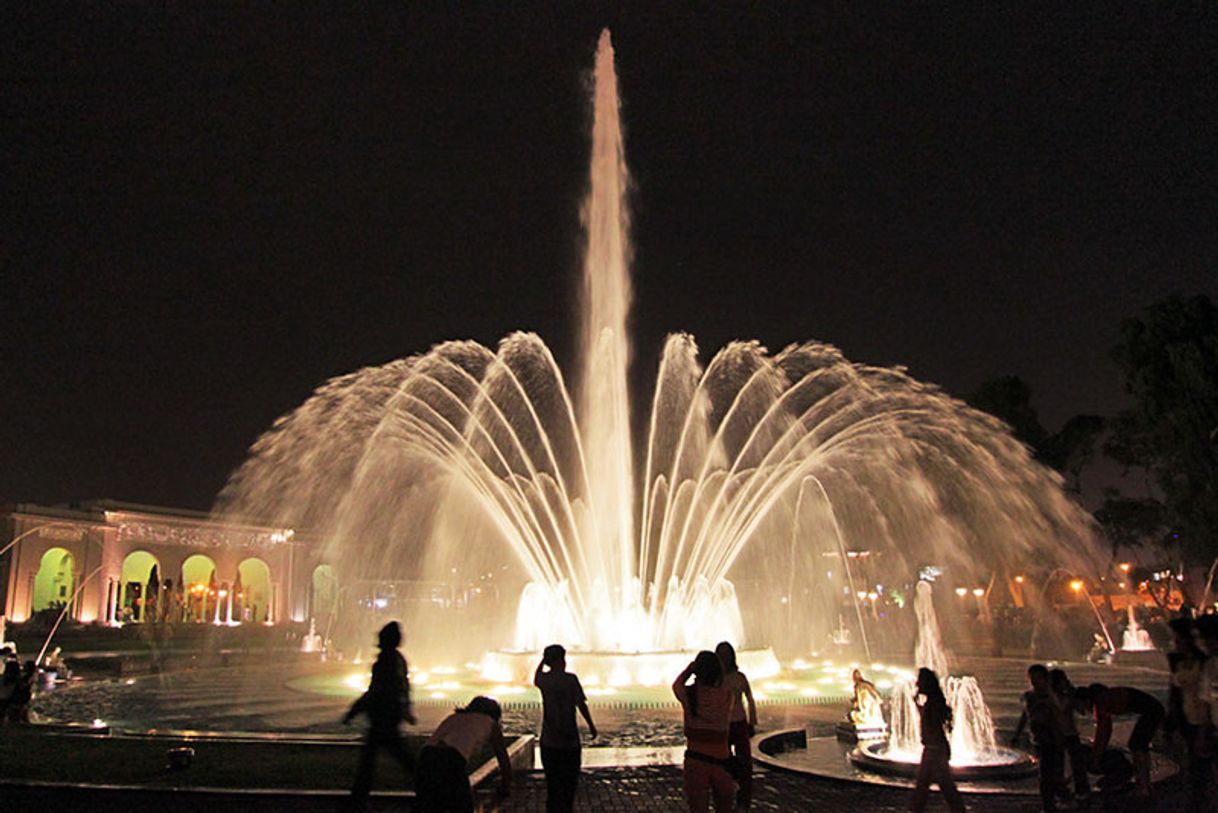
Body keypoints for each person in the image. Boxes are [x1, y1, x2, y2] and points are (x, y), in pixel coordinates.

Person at [343, 621, 416, 806]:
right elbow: (405, 687)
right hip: (390, 715)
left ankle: (358, 799)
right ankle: (358, 797)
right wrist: (407, 709)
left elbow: (375, 690)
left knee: (378, 758)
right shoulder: (398, 659)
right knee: (392, 756)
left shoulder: (385, 661)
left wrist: (354, 710)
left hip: (383, 717)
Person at [416, 695, 512, 812]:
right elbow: (503, 760)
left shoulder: (453, 717)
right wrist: (504, 788)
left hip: (425, 758)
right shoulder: (490, 722)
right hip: (451, 759)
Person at [533, 644, 597, 813]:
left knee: (552, 786)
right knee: (569, 786)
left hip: (549, 741)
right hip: (570, 742)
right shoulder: (570, 679)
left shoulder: (544, 681)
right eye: (563, 658)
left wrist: (543, 661)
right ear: (560, 660)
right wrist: (591, 725)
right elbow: (581, 705)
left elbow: (536, 676)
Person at [1073, 683, 1165, 797]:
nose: (1078, 709)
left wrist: (1096, 757)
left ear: (1083, 700)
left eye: (1077, 705)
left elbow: (1104, 731)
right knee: (1139, 746)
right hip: (1153, 711)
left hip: (1151, 712)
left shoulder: (1101, 701)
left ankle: (1142, 787)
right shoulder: (1105, 697)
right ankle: (1145, 784)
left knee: (1137, 746)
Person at [673, 651, 736, 813]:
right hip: (722, 762)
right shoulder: (727, 696)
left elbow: (677, 685)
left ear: (697, 672)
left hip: (696, 761)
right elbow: (723, 684)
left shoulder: (690, 696)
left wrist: (689, 670)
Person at [1165, 616, 1212, 812]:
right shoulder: (1177, 661)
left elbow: (1208, 695)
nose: (1173, 642)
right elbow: (1175, 692)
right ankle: (1198, 803)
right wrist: (1170, 723)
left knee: (1204, 765)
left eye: (1176, 638)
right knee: (1194, 767)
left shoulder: (1204, 661)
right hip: (1187, 719)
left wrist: (1206, 726)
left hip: (1206, 719)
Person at [910, 667, 966, 813]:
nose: (917, 684)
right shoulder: (933, 702)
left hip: (934, 750)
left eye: (919, 681)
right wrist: (918, 707)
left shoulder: (934, 703)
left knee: (934, 785)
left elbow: (934, 726)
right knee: (936, 785)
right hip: (934, 749)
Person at [1011, 664, 1064, 811]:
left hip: (1051, 739)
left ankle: (1051, 804)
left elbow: (1058, 718)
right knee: (1046, 773)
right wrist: (1017, 734)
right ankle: (1051, 802)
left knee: (1049, 774)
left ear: (1045, 679)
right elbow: (1025, 716)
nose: (1034, 682)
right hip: (1038, 740)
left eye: (1037, 678)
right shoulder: (1029, 697)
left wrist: (1060, 737)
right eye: (1031, 678)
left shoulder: (1052, 698)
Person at [715, 641, 758, 811]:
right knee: (722, 764)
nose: (724, 658)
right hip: (723, 726)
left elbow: (750, 699)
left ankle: (743, 802)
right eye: (721, 655)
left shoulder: (739, 677)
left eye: (726, 654)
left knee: (745, 764)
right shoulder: (717, 679)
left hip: (739, 723)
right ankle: (724, 801)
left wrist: (752, 722)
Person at [1049, 668, 1090, 805]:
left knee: (1077, 764)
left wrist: (1072, 693)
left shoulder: (1069, 695)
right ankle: (1062, 792)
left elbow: (1082, 710)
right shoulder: (1049, 696)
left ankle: (1081, 791)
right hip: (1057, 734)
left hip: (1070, 733)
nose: (1065, 682)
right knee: (1058, 765)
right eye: (1063, 680)